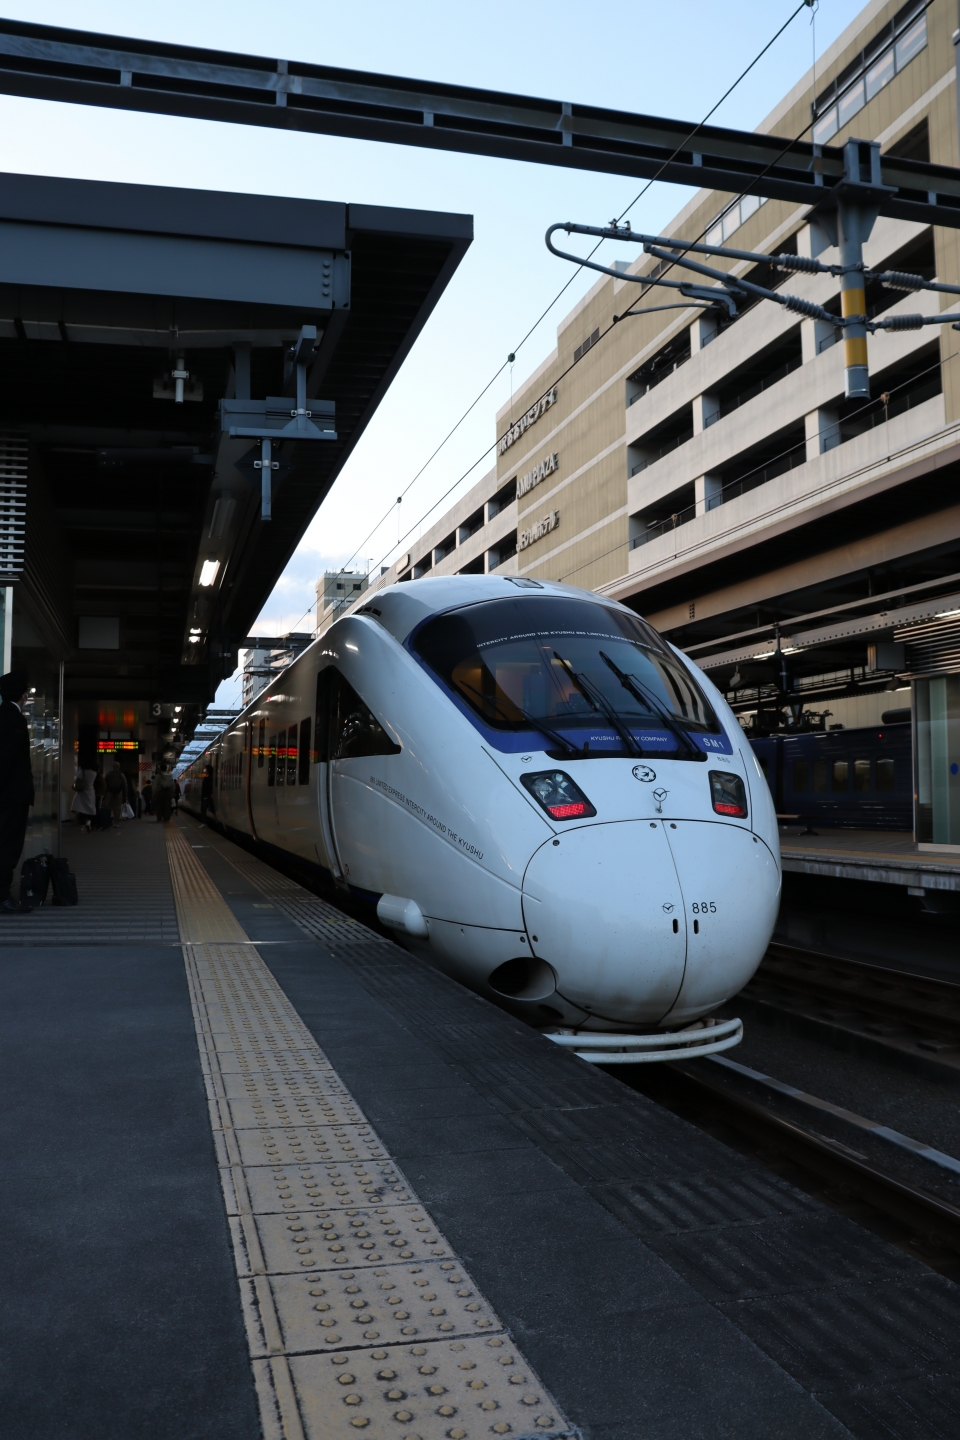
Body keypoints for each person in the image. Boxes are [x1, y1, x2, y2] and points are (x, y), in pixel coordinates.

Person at [0, 670, 35, 913]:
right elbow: (8, 758)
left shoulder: (3, 715)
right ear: (22, 694)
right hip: (11, 796)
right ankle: (3, 897)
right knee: (9, 845)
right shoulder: (15, 719)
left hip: (7, 794)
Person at [70, 760, 97, 832]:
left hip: (82, 791)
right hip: (90, 791)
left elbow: (77, 780)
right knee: (89, 808)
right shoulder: (94, 773)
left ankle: (84, 822)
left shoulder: (82, 772)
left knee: (81, 808)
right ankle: (89, 822)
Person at [104, 760, 128, 826]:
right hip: (119, 792)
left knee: (109, 806)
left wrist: (105, 793)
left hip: (110, 792)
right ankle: (116, 822)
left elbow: (105, 783)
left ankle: (108, 821)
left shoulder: (109, 774)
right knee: (117, 807)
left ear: (112, 767)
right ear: (119, 767)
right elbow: (125, 785)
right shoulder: (121, 775)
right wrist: (125, 795)